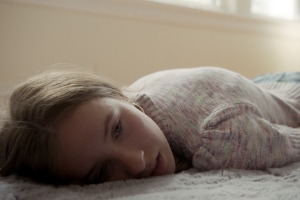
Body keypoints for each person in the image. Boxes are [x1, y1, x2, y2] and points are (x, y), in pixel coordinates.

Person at [0, 67, 299, 185]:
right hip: (258, 85)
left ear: (119, 95)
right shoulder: (133, 96)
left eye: (117, 129)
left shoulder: (219, 138)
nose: (137, 161)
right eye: (102, 171)